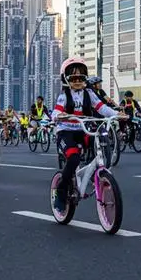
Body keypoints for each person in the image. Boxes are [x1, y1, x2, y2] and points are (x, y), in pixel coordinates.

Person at [51, 57, 123, 213]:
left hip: (83, 130)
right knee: (74, 158)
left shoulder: (89, 93)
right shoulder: (64, 96)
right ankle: (61, 193)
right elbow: (56, 111)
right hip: (66, 132)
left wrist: (117, 114)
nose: (77, 81)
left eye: (81, 78)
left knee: (99, 142)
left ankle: (95, 173)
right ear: (66, 79)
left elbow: (102, 107)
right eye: (73, 78)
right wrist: (59, 116)